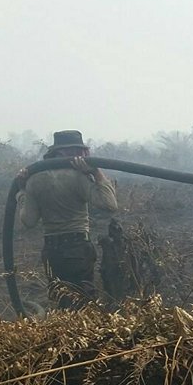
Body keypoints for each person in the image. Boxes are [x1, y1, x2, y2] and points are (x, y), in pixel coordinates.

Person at [17, 130, 118, 309]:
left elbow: (29, 221)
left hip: (51, 252)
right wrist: (96, 171)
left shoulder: (34, 179)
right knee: (84, 303)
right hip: (77, 250)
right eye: (78, 151)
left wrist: (22, 192)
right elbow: (110, 204)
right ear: (63, 153)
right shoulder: (77, 177)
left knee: (62, 301)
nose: (83, 156)